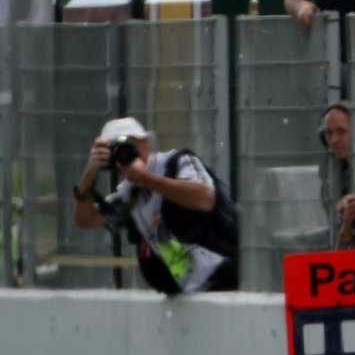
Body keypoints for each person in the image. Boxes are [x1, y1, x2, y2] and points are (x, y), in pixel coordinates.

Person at [71, 118, 237, 294]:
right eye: (116, 152)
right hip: (187, 294)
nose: (124, 156)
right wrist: (89, 174)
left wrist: (147, 179)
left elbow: (206, 198)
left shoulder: (177, 162)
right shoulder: (129, 193)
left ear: (145, 143)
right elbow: (85, 220)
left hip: (227, 277)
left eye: (129, 146)